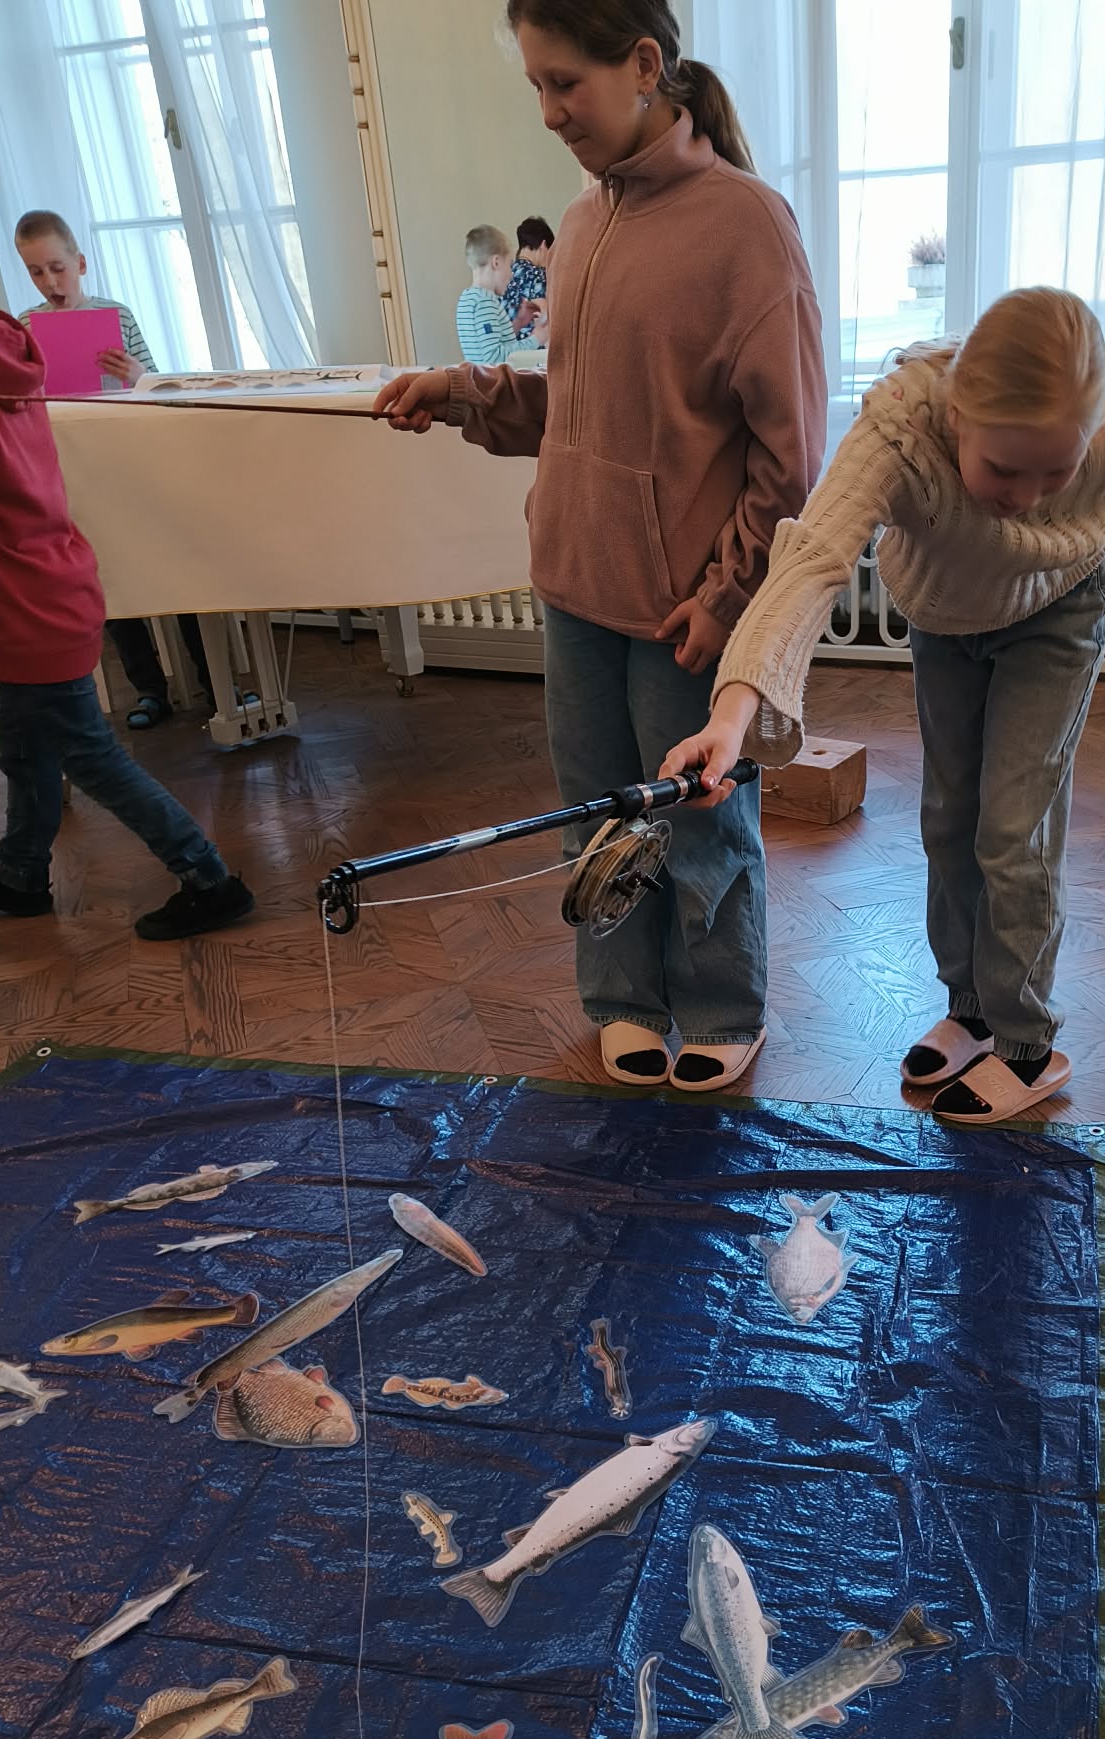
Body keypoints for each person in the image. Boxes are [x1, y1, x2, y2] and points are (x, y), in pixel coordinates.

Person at [660, 287, 1105, 1125]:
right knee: (949, 815)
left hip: (1062, 605)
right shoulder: (898, 429)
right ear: (958, 416)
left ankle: (1026, 1043)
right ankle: (970, 1010)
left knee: (1013, 828)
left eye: (1055, 471)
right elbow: (810, 561)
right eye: (1004, 469)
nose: (1027, 496)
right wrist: (730, 717)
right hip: (947, 612)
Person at [379, 0, 825, 1093]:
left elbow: (790, 456)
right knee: (598, 814)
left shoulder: (750, 227)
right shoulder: (580, 224)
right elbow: (573, 411)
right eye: (534, 85)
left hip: (682, 612)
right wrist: (457, 391)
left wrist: (726, 596)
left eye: (563, 83)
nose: (547, 112)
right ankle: (623, 996)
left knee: (699, 820)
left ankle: (720, 1004)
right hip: (573, 589)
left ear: (642, 64)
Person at [0, 189, 253, 940]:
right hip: (47, 585)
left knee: (86, 753)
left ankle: (208, 878)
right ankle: (21, 872)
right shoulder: (3, 343)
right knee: (23, 742)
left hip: (27, 604)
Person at [15, 208, 213, 731]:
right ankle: (149, 689)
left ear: (80, 263)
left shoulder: (116, 316)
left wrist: (138, 375)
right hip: (76, 476)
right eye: (36, 272)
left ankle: (214, 683)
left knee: (176, 574)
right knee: (111, 584)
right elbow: (22, 408)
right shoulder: (25, 328)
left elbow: (159, 388)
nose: (50, 282)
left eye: (58, 268)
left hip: (130, 466)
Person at [455, 224, 542, 366]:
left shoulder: (468, 299)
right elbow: (494, 358)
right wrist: (537, 339)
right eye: (509, 265)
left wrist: (518, 323)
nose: (511, 273)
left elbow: (489, 345)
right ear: (496, 262)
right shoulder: (484, 302)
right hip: (494, 380)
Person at [503, 215, 554, 332]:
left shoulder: (504, 272)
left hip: (506, 341)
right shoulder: (538, 275)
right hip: (532, 342)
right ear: (543, 246)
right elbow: (546, 321)